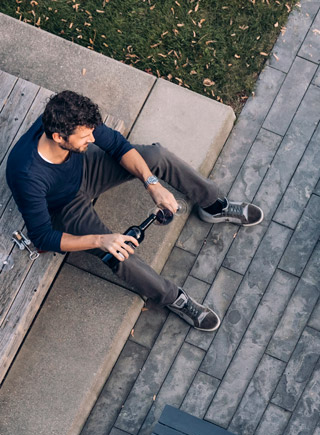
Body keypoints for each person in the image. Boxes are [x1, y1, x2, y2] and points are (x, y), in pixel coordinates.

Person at [5, 90, 264, 332]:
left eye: (91, 132)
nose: (92, 138)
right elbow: (42, 237)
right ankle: (173, 298)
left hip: (86, 168)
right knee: (117, 253)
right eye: (85, 137)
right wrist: (101, 240)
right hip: (64, 204)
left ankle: (213, 205)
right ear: (59, 138)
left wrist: (152, 184)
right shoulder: (26, 174)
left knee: (156, 155)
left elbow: (117, 145)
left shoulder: (71, 119)